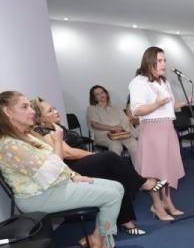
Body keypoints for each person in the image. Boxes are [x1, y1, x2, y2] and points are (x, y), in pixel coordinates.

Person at [0, 91, 123, 248]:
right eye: (24, 107)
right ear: (8, 112)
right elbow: (51, 172)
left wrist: (74, 176)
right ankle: (105, 245)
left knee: (117, 188)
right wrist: (58, 141)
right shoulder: (9, 145)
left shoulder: (28, 134)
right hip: (37, 196)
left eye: (30, 105)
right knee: (110, 196)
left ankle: (96, 238)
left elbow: (54, 165)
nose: (32, 111)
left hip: (56, 185)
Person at [31, 97, 166, 235]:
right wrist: (94, 155)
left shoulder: (56, 127)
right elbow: (68, 153)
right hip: (72, 170)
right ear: (40, 118)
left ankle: (127, 221)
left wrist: (94, 156)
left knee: (118, 177)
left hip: (81, 162)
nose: (56, 111)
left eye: (53, 107)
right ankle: (143, 183)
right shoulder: (44, 133)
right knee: (110, 156)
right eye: (50, 110)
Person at [129, 46, 194, 221]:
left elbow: (168, 107)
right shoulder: (138, 82)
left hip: (168, 129)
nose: (163, 64)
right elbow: (136, 110)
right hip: (152, 131)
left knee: (167, 168)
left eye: (164, 60)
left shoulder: (165, 82)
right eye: (159, 60)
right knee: (154, 170)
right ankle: (157, 205)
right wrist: (156, 105)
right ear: (149, 61)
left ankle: (167, 201)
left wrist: (184, 102)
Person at [86, 85, 139, 163]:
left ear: (106, 94)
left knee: (134, 144)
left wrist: (119, 129)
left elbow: (125, 119)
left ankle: (138, 171)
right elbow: (95, 124)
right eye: (97, 94)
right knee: (115, 146)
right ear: (94, 98)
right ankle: (116, 172)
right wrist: (113, 128)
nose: (101, 95)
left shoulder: (116, 107)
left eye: (102, 92)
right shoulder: (91, 109)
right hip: (103, 136)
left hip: (120, 134)